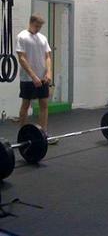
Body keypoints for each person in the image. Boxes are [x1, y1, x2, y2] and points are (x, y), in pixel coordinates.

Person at [16, 14, 58, 144]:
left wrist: (49, 73)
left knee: (44, 105)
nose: (39, 28)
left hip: (43, 78)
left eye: (40, 26)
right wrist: (33, 76)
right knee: (26, 104)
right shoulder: (22, 36)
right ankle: (23, 134)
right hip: (28, 79)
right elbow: (21, 58)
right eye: (37, 26)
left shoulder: (42, 38)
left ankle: (43, 133)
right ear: (31, 22)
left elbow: (48, 57)